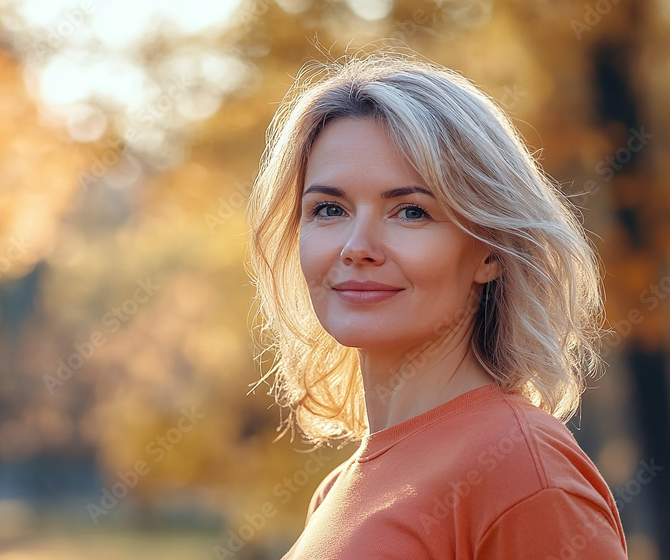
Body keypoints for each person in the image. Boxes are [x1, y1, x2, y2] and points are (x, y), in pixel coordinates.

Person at [245, 50, 628, 559]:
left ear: (490, 251)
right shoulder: (337, 490)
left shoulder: (524, 471)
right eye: (329, 209)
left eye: (410, 211)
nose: (357, 247)